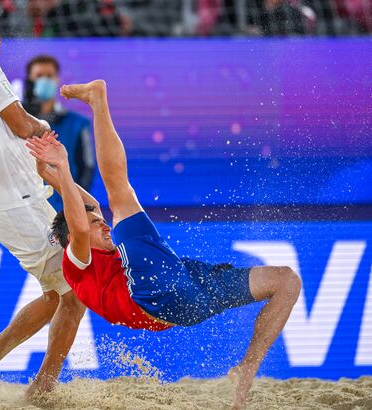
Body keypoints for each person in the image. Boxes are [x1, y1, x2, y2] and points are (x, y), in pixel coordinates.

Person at [26, 80, 302, 409]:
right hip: (150, 291)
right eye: (93, 222)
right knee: (120, 192)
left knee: (286, 280)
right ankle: (98, 99)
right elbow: (79, 221)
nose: (103, 224)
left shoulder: (109, 252)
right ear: (72, 235)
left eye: (99, 220)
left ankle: (247, 368)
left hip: (186, 299)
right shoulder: (77, 262)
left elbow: (86, 212)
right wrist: (64, 171)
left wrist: (51, 176)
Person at [0, 17, 86, 397]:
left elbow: (12, 144)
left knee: (57, 296)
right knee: (73, 295)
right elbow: (18, 124)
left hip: (24, 202)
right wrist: (43, 125)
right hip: (18, 207)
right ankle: (43, 388)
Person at [24, 54, 95, 210]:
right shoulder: (17, 122)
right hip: (24, 208)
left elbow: (87, 167)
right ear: (29, 80)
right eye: (39, 76)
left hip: (64, 208)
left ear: (57, 79)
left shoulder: (78, 123)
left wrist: (77, 203)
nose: (44, 80)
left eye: (49, 76)